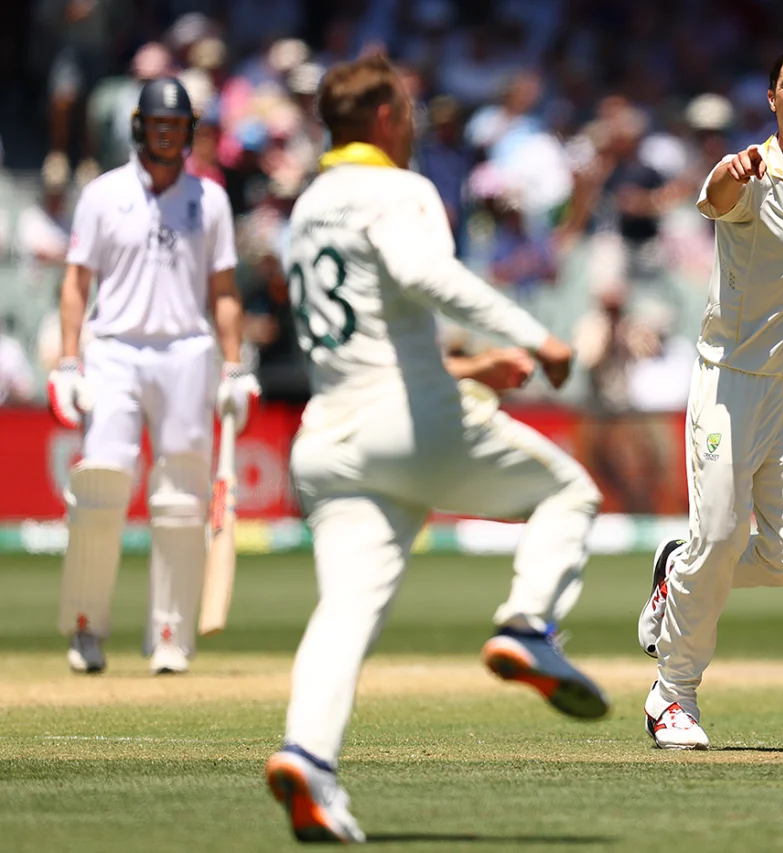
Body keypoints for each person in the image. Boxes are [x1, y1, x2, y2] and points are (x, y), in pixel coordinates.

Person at [263, 55, 608, 843]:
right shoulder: (398, 189)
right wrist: (535, 337)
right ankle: (526, 624)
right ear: (383, 117)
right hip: (407, 420)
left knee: (346, 608)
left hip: (330, 437)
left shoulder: (308, 207)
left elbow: (365, 338)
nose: (414, 122)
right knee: (567, 494)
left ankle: (308, 761)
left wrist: (469, 366)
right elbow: (428, 275)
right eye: (408, 109)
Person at [636, 43, 783, 750]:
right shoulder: (750, 172)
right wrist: (727, 171)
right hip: (731, 383)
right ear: (773, 101)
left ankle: (675, 573)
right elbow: (714, 198)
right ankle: (673, 694)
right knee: (717, 536)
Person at [48, 76, 258, 677]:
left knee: (180, 498)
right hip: (114, 348)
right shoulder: (103, 194)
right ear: (140, 126)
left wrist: (235, 366)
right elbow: (75, 282)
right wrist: (68, 361)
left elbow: (222, 292)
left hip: (187, 352)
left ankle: (170, 632)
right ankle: (86, 627)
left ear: (188, 132)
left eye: (176, 126)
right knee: (101, 486)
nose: (166, 135)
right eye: (157, 124)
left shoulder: (209, 200)